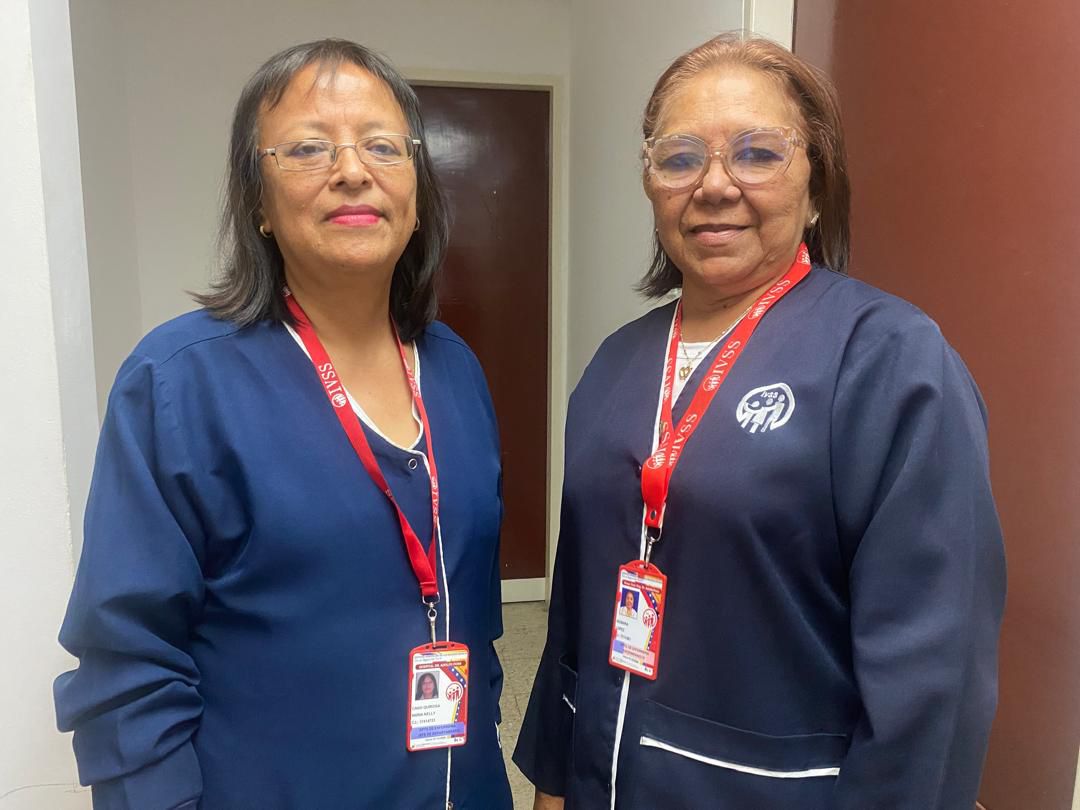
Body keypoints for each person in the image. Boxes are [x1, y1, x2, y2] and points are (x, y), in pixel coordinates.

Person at [513, 33, 1005, 810]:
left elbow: (931, 678)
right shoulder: (616, 364)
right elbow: (577, 610)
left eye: (758, 153)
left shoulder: (889, 360)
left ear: (817, 188)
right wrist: (554, 780)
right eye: (680, 158)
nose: (714, 185)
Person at [54, 39, 512, 810]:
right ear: (259, 205)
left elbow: (473, 607)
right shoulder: (178, 384)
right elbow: (127, 664)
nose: (352, 170)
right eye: (308, 148)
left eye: (382, 146)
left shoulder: (456, 370)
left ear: (418, 191)